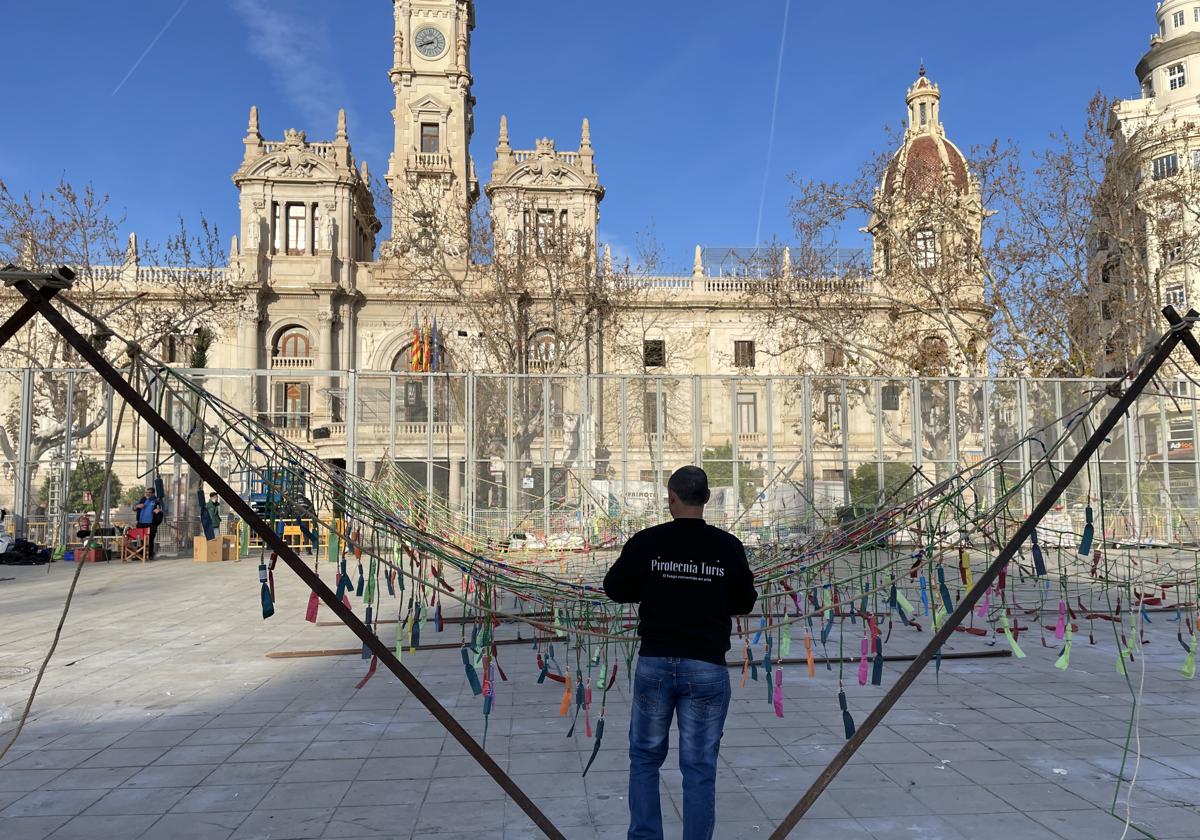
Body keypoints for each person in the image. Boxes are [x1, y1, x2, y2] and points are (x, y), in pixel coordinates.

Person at [603, 466, 757, 840]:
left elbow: (615, 588)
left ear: (671, 498)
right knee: (699, 767)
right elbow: (744, 601)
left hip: (656, 662)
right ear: (705, 499)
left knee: (644, 759)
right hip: (706, 666)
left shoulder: (648, 542)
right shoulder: (727, 546)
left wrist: (656, 584)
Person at [133, 488, 164, 557]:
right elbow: (134, 508)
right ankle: (140, 555)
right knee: (140, 539)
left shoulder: (156, 501)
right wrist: (137, 506)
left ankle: (150, 554)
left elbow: (162, 509)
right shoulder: (143, 499)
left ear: (153, 493)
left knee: (150, 539)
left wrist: (159, 511)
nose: (147, 494)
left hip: (151, 524)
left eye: (149, 492)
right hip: (141, 523)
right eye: (146, 492)